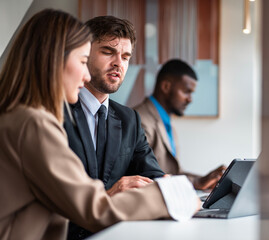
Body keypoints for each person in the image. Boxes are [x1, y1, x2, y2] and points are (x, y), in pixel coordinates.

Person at [0, 9, 199, 240]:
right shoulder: (35, 122)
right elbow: (94, 208)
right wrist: (169, 197)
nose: (85, 76)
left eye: (126, 57)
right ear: (54, 60)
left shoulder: (20, 116)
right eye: (83, 61)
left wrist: (169, 186)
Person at [62, 16, 167, 239]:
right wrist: (109, 195)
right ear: (84, 53)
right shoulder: (55, 111)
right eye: (108, 52)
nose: (119, 63)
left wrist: (172, 188)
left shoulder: (130, 119)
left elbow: (154, 176)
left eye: (126, 56)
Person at [134, 59, 226, 190]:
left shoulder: (166, 122)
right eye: (186, 91)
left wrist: (204, 180)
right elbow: (142, 178)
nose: (190, 99)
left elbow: (174, 173)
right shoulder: (139, 119)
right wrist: (195, 183)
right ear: (166, 87)